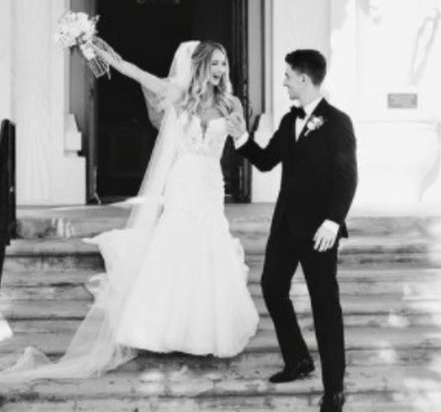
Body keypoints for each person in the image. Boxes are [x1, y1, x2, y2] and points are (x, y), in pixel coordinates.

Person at [0, 40, 258, 381]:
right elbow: (136, 73)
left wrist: (242, 135)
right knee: (177, 240)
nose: (220, 70)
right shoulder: (178, 95)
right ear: (199, 66)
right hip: (183, 182)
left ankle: (206, 327)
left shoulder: (231, 103)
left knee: (210, 241)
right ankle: (165, 326)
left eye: (223, 64)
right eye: (214, 64)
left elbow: (243, 143)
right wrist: (108, 57)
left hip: (210, 182)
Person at [227, 49, 358, 412]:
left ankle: (334, 390)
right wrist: (241, 138)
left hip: (319, 232)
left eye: (287, 76)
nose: (283, 82)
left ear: (303, 78)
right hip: (285, 226)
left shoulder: (338, 122)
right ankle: (298, 358)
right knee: (272, 287)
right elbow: (266, 161)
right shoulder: (289, 121)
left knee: (325, 307)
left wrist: (333, 221)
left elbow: (348, 177)